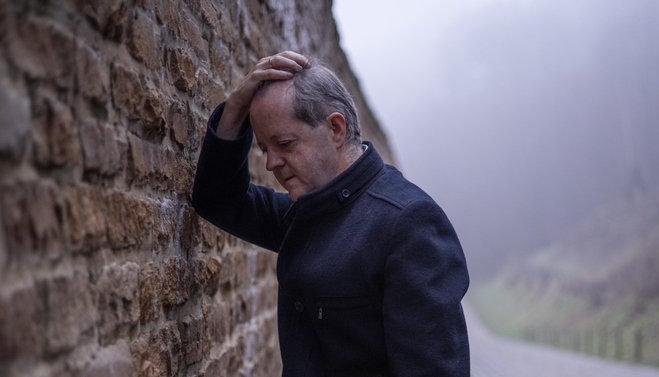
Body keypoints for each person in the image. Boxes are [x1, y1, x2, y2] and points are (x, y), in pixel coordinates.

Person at [191, 51, 470, 376]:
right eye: (266, 149)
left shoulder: (407, 224)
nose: (271, 164)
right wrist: (235, 108)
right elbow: (217, 198)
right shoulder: (304, 214)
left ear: (336, 130)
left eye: (285, 143)